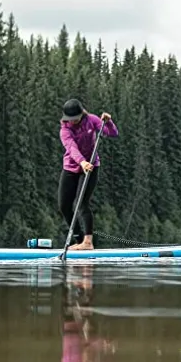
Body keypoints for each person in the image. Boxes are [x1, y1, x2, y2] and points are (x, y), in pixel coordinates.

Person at [58, 98, 119, 250]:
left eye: (75, 118)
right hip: (72, 167)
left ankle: (88, 242)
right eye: (70, 119)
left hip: (91, 166)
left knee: (81, 203)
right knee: (64, 205)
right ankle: (79, 240)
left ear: (81, 114)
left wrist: (108, 122)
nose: (72, 121)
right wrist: (82, 162)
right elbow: (71, 148)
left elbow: (112, 133)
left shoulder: (92, 120)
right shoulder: (65, 130)